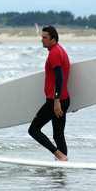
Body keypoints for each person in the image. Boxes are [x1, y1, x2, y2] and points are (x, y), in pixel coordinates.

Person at [28, 26, 70, 161]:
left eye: (45, 38)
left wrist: (56, 101)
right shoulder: (60, 50)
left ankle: (58, 154)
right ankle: (63, 165)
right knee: (58, 135)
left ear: (53, 39)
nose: (42, 40)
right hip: (63, 99)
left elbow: (60, 77)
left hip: (54, 101)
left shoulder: (54, 54)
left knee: (33, 130)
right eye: (42, 37)